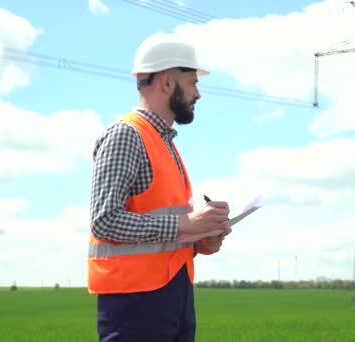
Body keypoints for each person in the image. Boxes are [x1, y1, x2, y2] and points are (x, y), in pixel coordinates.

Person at [87, 32, 231, 341]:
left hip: (173, 296)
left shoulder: (166, 144)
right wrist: (186, 224)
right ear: (167, 82)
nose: (198, 94)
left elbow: (162, 232)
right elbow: (104, 221)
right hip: (135, 305)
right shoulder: (127, 135)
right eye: (193, 82)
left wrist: (199, 239)